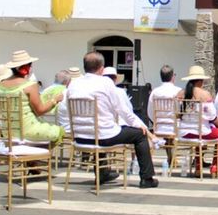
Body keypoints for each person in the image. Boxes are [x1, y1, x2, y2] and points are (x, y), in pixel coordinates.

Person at [66, 52, 159, 188]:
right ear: (101, 68)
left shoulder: (73, 84)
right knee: (140, 135)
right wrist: (141, 125)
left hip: (80, 137)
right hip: (103, 137)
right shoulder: (106, 83)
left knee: (103, 128)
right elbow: (123, 111)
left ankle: (103, 173)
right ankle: (147, 178)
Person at [0, 50, 64, 143]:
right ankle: (36, 155)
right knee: (60, 131)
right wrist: (55, 100)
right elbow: (40, 111)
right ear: (26, 68)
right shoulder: (29, 85)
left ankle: (31, 154)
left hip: (7, 132)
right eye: (30, 66)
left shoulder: (1, 85)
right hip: (28, 131)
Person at [177, 65, 218, 176]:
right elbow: (212, 117)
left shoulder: (180, 94)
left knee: (202, 133)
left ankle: (199, 168)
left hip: (184, 132)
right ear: (200, 81)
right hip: (201, 132)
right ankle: (215, 166)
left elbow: (177, 115)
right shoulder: (205, 95)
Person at [148, 65, 183, 165]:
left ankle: (171, 158)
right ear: (172, 77)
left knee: (168, 136)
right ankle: (172, 159)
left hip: (159, 127)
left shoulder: (155, 92)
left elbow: (150, 111)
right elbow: (181, 111)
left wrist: (156, 122)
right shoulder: (178, 91)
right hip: (175, 127)